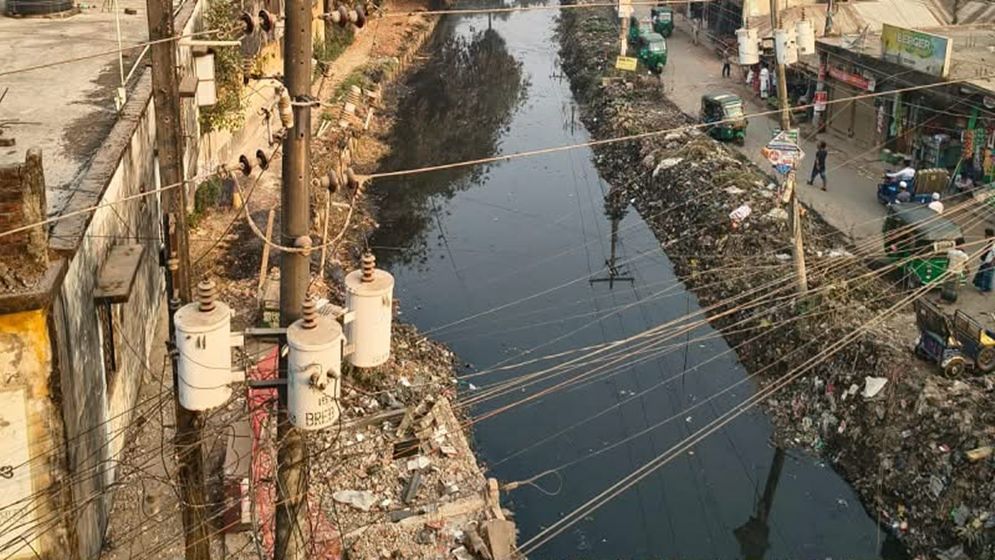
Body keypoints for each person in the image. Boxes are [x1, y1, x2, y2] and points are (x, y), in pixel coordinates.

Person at [973, 228, 995, 293]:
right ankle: (981, 286)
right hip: (986, 261)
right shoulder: (990, 242)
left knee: (987, 275)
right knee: (982, 273)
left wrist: (992, 262)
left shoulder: (993, 244)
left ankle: (985, 289)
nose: (984, 236)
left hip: (989, 262)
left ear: (988, 235)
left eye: (985, 234)